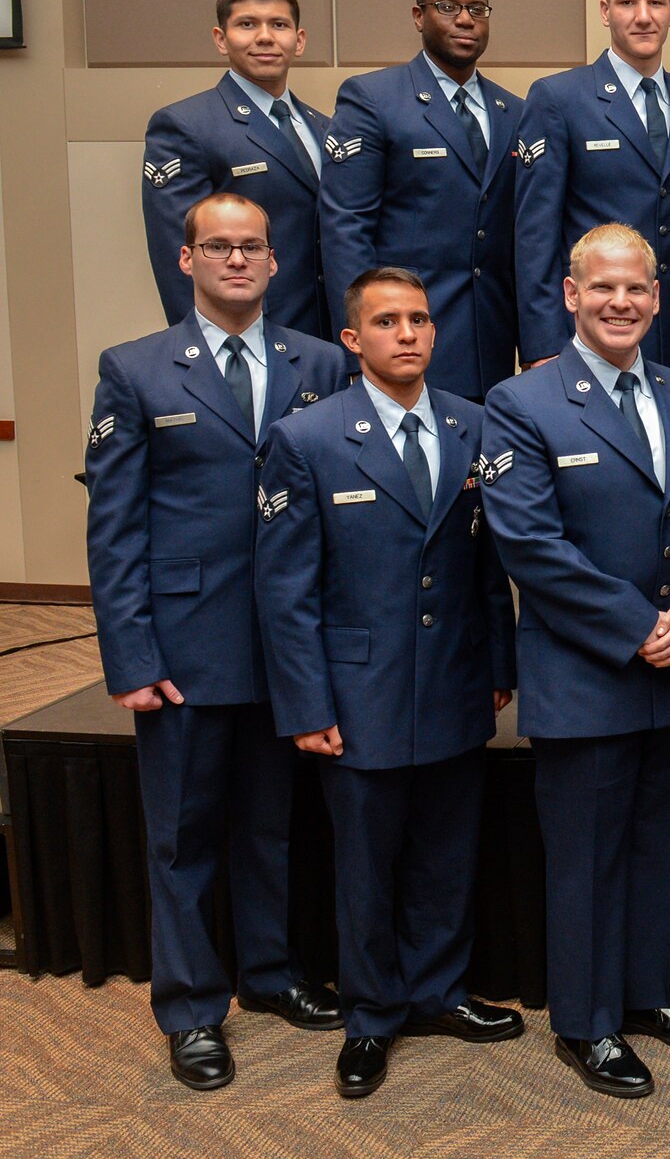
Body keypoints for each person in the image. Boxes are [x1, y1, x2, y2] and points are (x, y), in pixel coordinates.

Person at [84, 192, 347, 1090]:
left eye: (252, 247)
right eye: (218, 246)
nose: (237, 260)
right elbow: (114, 528)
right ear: (187, 258)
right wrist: (131, 657)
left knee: (271, 827)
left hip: (288, 647)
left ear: (275, 263)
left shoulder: (319, 361)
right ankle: (193, 1006)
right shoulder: (136, 370)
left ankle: (269, 973)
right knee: (185, 835)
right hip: (185, 647)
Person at [254, 267, 523, 1098]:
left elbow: (488, 570)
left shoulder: (472, 425)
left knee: (447, 851)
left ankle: (438, 990)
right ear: (352, 339)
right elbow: (285, 589)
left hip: (453, 683)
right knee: (367, 864)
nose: (406, 333)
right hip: (356, 692)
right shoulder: (308, 438)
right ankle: (372, 1016)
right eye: (386, 321)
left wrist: (499, 669)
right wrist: (305, 702)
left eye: (418, 319)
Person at [480, 224, 670, 1097]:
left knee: (657, 843)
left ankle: (646, 993)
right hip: (587, 673)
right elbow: (532, 547)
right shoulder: (520, 402)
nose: (622, 302)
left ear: (658, 298)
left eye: (638, 288)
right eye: (604, 287)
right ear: (570, 294)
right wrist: (639, 625)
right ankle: (586, 1023)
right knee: (584, 856)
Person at [515, 0, 670, 383]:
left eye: (656, 3)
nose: (644, 17)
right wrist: (541, 342)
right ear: (606, 12)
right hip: (592, 331)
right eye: (628, 2)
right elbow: (535, 231)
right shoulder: (559, 98)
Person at [320, 0, 523, 399]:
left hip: (493, 337)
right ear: (419, 16)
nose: (466, 20)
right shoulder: (373, 99)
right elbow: (346, 226)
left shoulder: (515, 112)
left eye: (478, 9)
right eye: (448, 7)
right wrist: (361, 340)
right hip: (405, 334)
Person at [141, 0, 332, 339]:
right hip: (247, 337)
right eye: (247, 24)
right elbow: (176, 257)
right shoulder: (186, 126)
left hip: (326, 340)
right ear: (221, 39)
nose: (265, 36)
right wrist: (210, 351)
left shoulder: (325, 127)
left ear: (300, 40)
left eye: (279, 24)